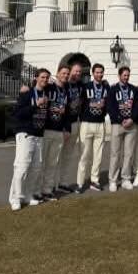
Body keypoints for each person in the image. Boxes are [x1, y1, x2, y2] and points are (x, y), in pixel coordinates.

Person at [8, 68, 51, 211]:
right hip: (25, 134)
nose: (44, 80)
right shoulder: (27, 93)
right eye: (42, 77)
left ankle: (28, 195)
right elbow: (17, 113)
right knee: (22, 167)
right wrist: (35, 105)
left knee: (36, 168)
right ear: (36, 78)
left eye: (47, 78)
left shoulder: (46, 93)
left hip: (39, 134)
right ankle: (16, 198)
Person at [75, 63, 110, 193]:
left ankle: (94, 180)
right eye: (97, 72)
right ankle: (80, 183)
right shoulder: (85, 87)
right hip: (86, 124)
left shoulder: (106, 88)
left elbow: (109, 104)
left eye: (101, 72)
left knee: (98, 155)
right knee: (84, 155)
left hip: (100, 124)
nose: (99, 75)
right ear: (92, 73)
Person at [41, 65, 70, 200]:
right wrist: (26, 88)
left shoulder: (65, 91)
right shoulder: (49, 87)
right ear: (57, 73)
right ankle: (36, 190)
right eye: (63, 73)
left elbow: (67, 112)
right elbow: (37, 87)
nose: (65, 75)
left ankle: (47, 190)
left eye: (67, 74)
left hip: (58, 130)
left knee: (53, 163)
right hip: (46, 129)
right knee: (41, 162)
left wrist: (66, 128)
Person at [107, 67, 138, 192]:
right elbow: (110, 107)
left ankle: (126, 179)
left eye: (128, 75)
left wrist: (132, 119)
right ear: (119, 75)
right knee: (115, 154)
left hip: (131, 125)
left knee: (129, 154)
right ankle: (113, 181)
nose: (126, 77)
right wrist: (121, 120)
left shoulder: (133, 89)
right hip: (117, 125)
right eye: (124, 75)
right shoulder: (113, 89)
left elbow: (137, 106)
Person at [57, 63, 84, 193]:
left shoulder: (80, 86)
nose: (77, 74)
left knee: (68, 156)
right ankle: (49, 184)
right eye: (75, 71)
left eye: (79, 72)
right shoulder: (63, 86)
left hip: (75, 123)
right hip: (62, 125)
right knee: (56, 156)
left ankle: (63, 182)